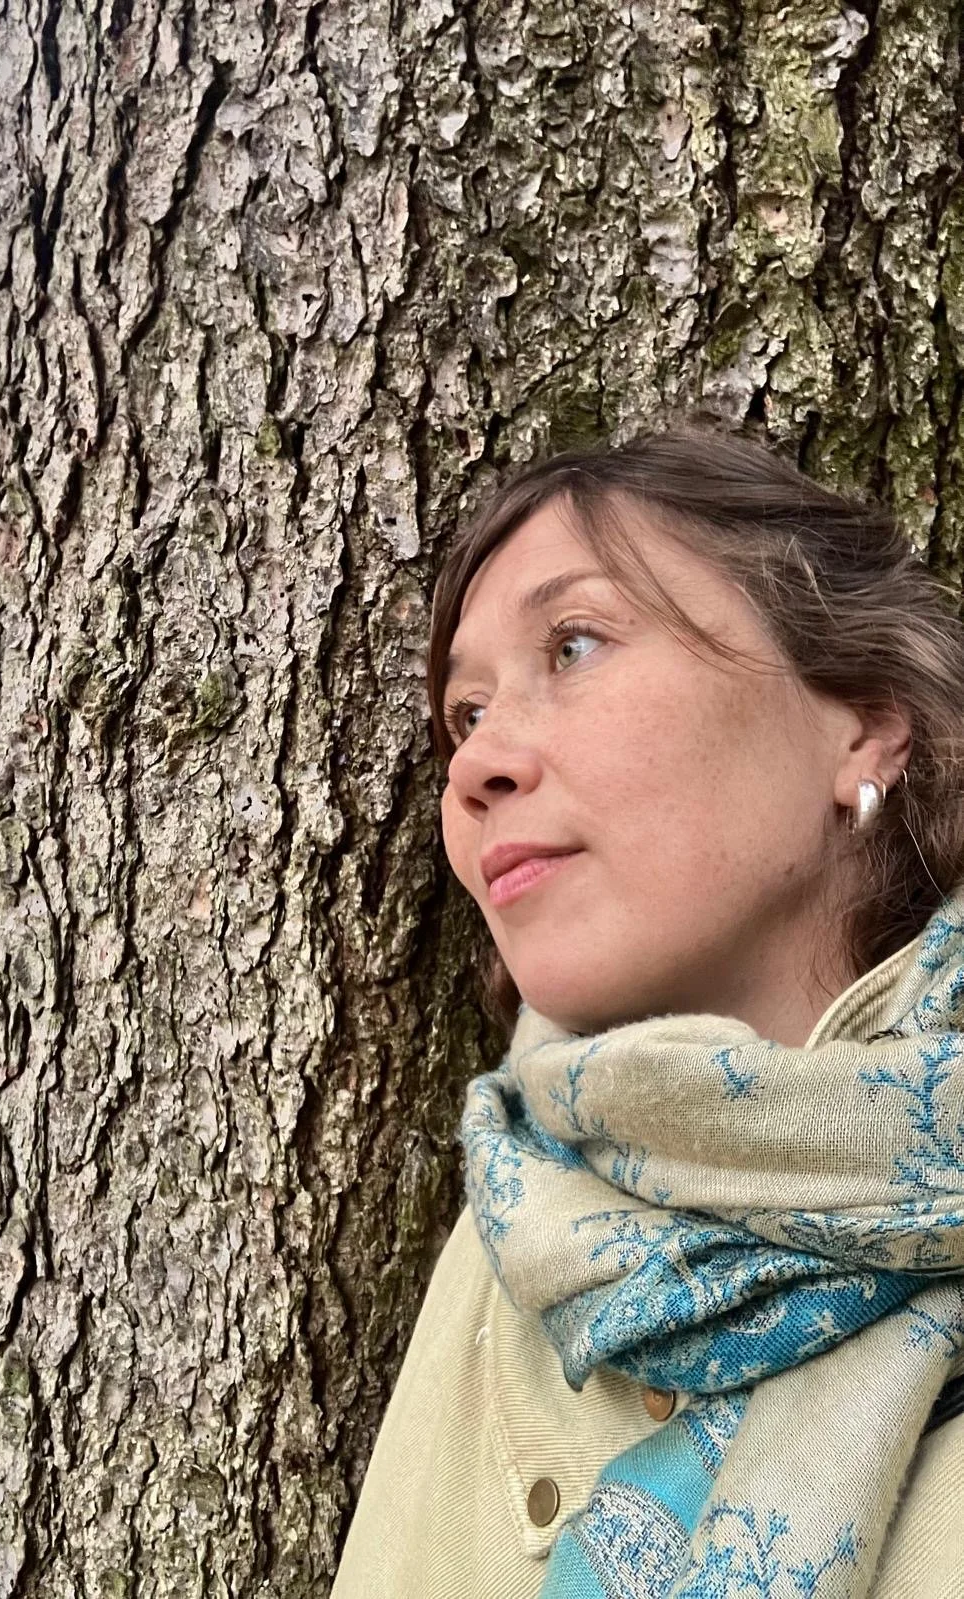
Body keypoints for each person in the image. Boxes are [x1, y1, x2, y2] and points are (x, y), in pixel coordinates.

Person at [330, 424, 964, 1599]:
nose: (470, 768)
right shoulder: (521, 1224)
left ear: (862, 724)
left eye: (572, 645)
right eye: (464, 715)